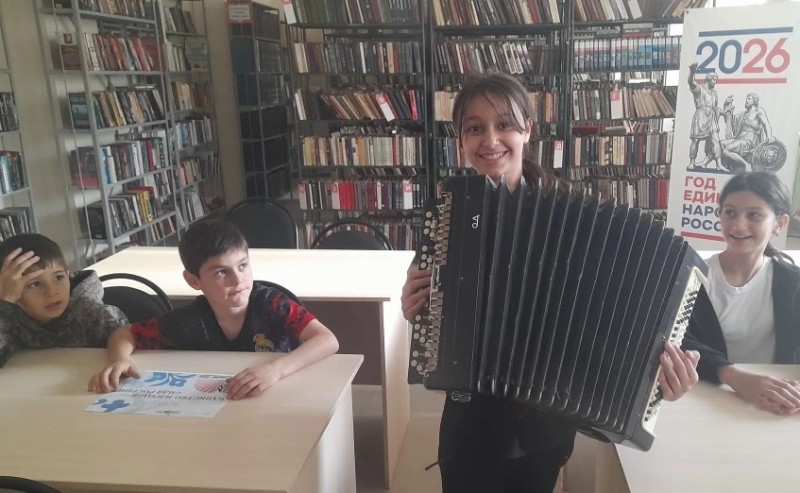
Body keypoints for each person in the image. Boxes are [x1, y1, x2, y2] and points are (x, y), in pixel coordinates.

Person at [401, 73, 701, 493]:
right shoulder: (451, 209)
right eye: (475, 128)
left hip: (546, 425)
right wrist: (419, 308)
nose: (490, 140)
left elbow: (623, 309)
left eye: (505, 124)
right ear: (460, 139)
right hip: (470, 424)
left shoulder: (577, 219)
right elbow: (433, 303)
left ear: (527, 129)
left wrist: (661, 377)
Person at [88, 220, 339, 400]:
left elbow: (327, 340)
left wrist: (275, 370)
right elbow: (125, 334)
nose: (238, 280)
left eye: (242, 266)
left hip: (280, 396)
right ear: (194, 280)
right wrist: (120, 359)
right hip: (221, 405)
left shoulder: (272, 304)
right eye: (221, 272)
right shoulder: (190, 320)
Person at [683, 171, 800, 416]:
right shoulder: (691, 277)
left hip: (776, 405)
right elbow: (677, 342)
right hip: (706, 400)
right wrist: (730, 374)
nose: (738, 225)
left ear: (779, 223)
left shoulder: (793, 283)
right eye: (730, 212)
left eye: (754, 215)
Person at [0, 233, 128, 368]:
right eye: (35, 284)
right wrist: (5, 302)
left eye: (59, 277)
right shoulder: (9, 316)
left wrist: (120, 358)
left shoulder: (91, 314)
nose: (52, 292)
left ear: (68, 275)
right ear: (12, 289)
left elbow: (128, 338)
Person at [719, 93, 776, 172]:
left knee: (727, 151)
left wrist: (769, 135)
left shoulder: (758, 111)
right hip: (740, 138)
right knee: (720, 144)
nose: (746, 101)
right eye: (746, 99)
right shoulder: (743, 114)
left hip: (750, 141)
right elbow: (730, 119)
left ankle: (746, 165)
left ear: (754, 101)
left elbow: (766, 123)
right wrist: (727, 105)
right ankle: (728, 165)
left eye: (749, 99)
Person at [687, 63, 722, 170]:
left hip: (711, 118)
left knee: (716, 140)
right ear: (709, 79)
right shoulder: (700, 89)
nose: (715, 82)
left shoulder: (714, 93)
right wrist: (692, 72)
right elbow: (691, 82)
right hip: (701, 116)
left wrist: (725, 111)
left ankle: (719, 164)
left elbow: (716, 108)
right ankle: (692, 162)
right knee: (696, 140)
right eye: (714, 80)